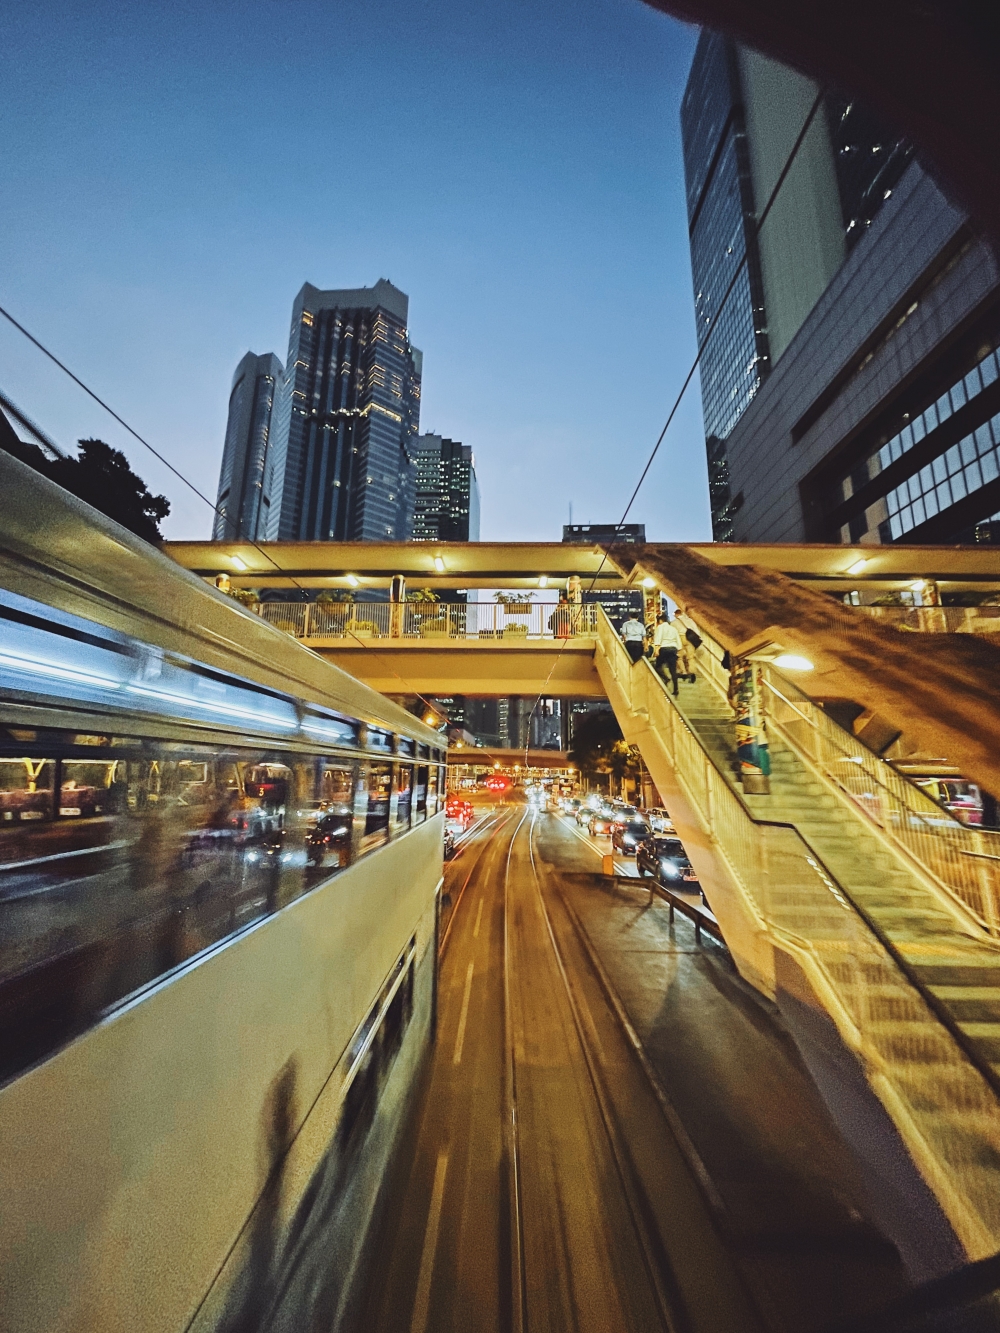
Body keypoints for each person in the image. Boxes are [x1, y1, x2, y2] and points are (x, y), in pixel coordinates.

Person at [651, 611, 683, 695]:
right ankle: (676, 690)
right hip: (673, 649)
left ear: (660, 621)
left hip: (664, 648)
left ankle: (665, 678)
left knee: (657, 666)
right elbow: (678, 641)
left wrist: (656, 650)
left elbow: (658, 639)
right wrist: (678, 650)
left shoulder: (660, 627)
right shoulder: (673, 629)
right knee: (673, 670)